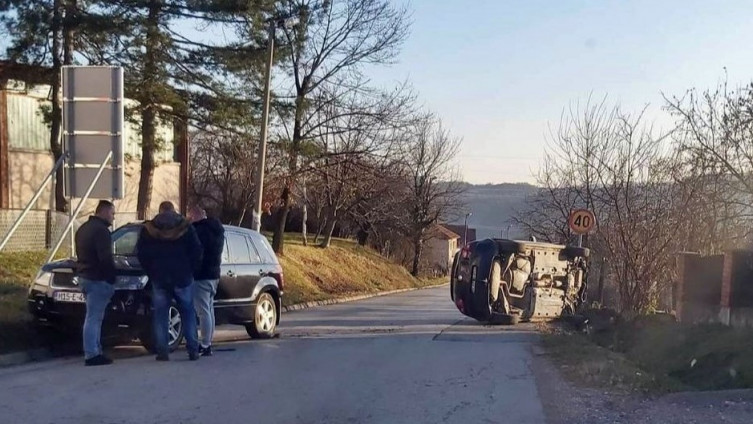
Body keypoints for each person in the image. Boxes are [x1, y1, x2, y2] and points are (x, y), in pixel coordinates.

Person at [136, 201, 203, 361]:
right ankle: (193, 349)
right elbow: (197, 250)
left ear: (160, 211)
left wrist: (151, 272)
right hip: (182, 276)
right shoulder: (185, 227)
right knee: (187, 312)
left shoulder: (149, 229)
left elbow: (141, 253)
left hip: (159, 277)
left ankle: (162, 351)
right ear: (174, 210)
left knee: (160, 314)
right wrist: (190, 270)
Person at [75, 200, 117, 366]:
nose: (113, 217)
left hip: (84, 276)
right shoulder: (101, 231)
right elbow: (105, 258)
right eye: (112, 213)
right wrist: (111, 278)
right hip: (97, 278)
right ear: (104, 212)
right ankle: (92, 354)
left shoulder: (83, 229)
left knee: (92, 316)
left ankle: (95, 350)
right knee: (94, 318)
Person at [188, 205, 225, 356]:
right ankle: (208, 341)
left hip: (201, 275)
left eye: (190, 217)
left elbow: (195, 253)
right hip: (214, 274)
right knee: (209, 310)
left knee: (203, 311)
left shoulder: (198, 232)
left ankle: (205, 344)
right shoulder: (217, 230)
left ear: (194, 216)